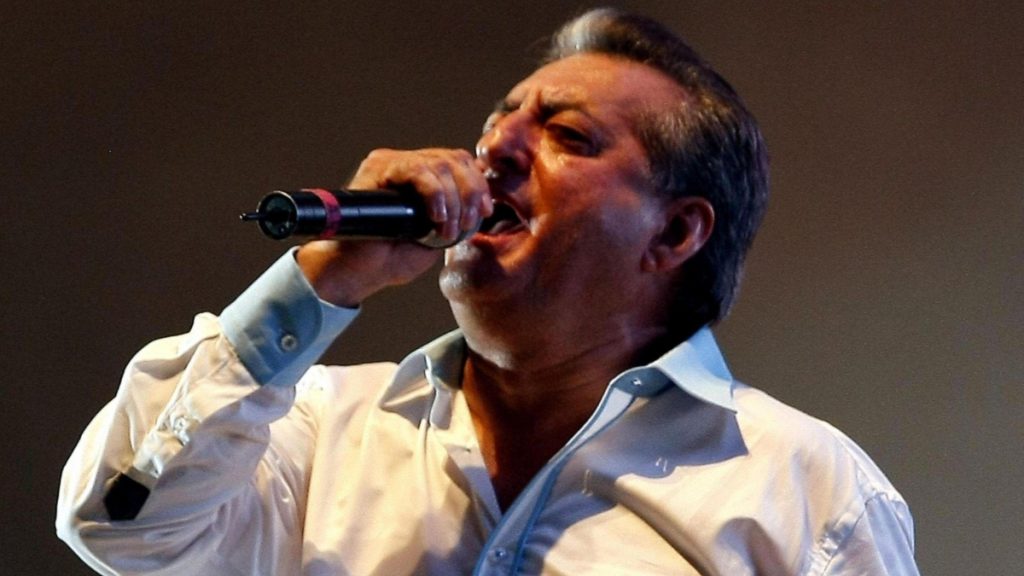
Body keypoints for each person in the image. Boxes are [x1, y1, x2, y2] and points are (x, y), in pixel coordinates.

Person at [57, 8, 918, 575]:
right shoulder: (316, 429)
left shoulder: (806, 492)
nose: (493, 151)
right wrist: (323, 277)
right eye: (494, 125)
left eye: (567, 136)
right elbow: (119, 525)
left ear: (674, 234)